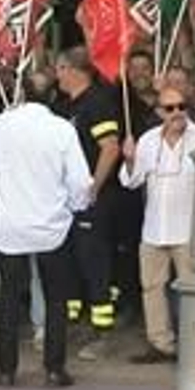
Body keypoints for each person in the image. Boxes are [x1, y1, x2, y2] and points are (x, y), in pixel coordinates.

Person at [0, 71, 92, 388]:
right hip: (52, 225)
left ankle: (6, 369)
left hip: (11, 226)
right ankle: (54, 368)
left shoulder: (0, 125)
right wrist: (74, 207)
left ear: (22, 93)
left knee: (8, 297)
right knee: (56, 299)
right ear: (53, 95)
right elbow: (81, 181)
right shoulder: (61, 129)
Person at [120, 86, 195, 367]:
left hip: (188, 227)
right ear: (159, 113)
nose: (177, 113)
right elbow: (131, 181)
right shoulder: (148, 140)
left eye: (181, 106)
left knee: (192, 290)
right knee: (152, 287)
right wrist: (129, 159)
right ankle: (160, 344)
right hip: (154, 227)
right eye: (170, 108)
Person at [54, 47, 123, 341]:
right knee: (68, 257)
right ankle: (70, 320)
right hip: (65, 199)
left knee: (93, 259)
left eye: (59, 68)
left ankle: (101, 327)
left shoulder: (98, 102)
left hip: (93, 198)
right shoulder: (62, 106)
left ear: (72, 70)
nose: (56, 75)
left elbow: (110, 146)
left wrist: (94, 186)